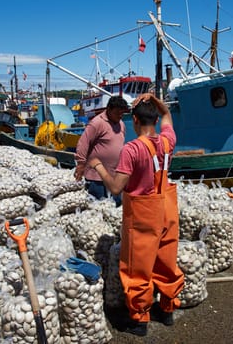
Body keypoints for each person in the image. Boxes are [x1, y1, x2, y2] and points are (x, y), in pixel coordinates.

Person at [87, 93, 184, 337]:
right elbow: (168, 116)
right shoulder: (166, 142)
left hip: (142, 212)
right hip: (167, 209)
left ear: (135, 121)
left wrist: (97, 165)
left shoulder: (132, 149)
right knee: (166, 260)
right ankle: (167, 309)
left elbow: (116, 188)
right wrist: (155, 100)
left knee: (137, 266)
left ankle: (140, 319)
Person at [74, 96, 128, 206]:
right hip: (96, 177)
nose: (120, 116)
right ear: (109, 109)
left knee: (115, 207)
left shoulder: (121, 124)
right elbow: (83, 143)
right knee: (97, 207)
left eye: (122, 113)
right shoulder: (97, 123)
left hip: (114, 176)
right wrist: (80, 163)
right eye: (118, 113)